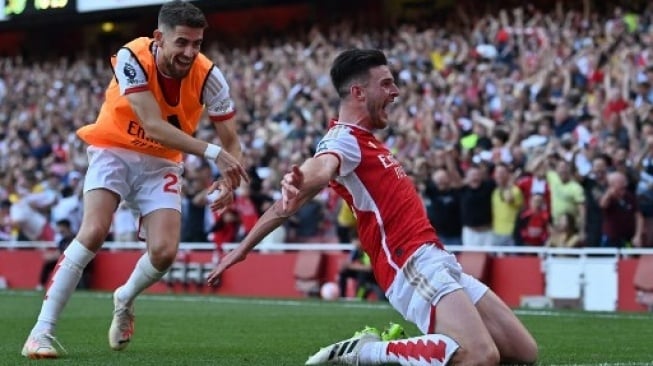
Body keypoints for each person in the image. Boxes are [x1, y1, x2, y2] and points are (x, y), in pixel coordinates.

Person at [207, 49, 537, 365]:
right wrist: (301, 177)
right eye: (386, 83)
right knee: (481, 357)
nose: (395, 91)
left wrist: (243, 247)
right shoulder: (343, 139)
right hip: (408, 261)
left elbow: (285, 205)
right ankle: (368, 352)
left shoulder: (365, 140)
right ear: (358, 93)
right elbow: (321, 167)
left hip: (435, 257)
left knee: (523, 352)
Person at [21, 0, 248, 359]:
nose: (190, 52)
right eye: (182, 42)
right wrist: (211, 154)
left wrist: (228, 181)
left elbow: (231, 141)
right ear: (159, 37)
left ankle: (124, 297)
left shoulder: (210, 76)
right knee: (94, 231)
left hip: (161, 163)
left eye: (197, 44)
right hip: (113, 148)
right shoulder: (131, 57)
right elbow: (153, 126)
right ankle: (40, 332)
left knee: (164, 252)